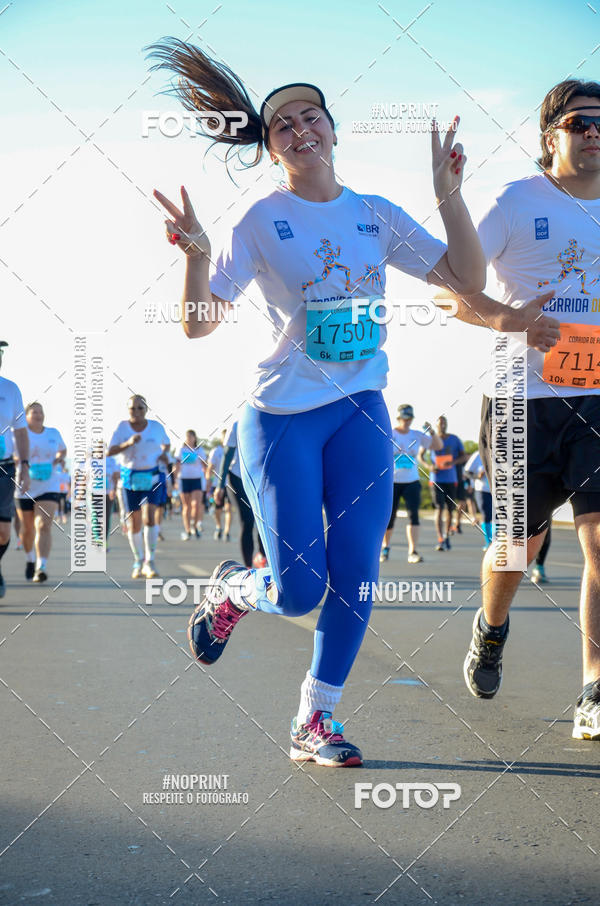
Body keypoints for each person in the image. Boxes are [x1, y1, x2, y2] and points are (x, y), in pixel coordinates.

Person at [151, 37, 485, 765]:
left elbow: (463, 274)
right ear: (272, 148)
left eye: (312, 117)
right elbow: (199, 325)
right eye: (284, 126)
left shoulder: (376, 211)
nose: (301, 130)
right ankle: (239, 588)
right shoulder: (260, 221)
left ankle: (316, 719)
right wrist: (196, 257)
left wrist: (449, 195)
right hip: (280, 420)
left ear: (334, 129)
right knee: (299, 592)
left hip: (361, 407)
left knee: (358, 571)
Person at [440, 79, 600, 741]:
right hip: (520, 402)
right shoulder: (515, 201)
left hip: (596, 399)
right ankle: (491, 629)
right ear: (550, 137)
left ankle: (594, 687)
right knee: (514, 547)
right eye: (579, 122)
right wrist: (510, 320)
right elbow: (451, 289)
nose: (593, 131)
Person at [108, 395, 170, 579]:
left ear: (146, 410)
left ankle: (150, 562)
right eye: (132, 409)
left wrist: (163, 454)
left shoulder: (156, 427)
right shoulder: (122, 427)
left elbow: (166, 443)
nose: (136, 412)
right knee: (134, 523)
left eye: (140, 408)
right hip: (130, 478)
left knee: (150, 517)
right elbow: (110, 451)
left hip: (152, 475)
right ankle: (138, 560)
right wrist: (127, 444)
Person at [380, 404, 442, 564]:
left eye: (409, 419)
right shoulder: (390, 434)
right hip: (392, 481)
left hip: (412, 481)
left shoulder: (416, 435)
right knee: (389, 517)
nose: (406, 422)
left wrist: (432, 432)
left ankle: (413, 551)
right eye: (404, 419)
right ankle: (385, 548)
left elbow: (438, 446)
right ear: (399, 418)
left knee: (414, 516)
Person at [15, 402, 67, 582]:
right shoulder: (20, 434)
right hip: (25, 486)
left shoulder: (53, 433)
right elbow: (12, 455)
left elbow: (63, 450)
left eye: (41, 411)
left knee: (43, 525)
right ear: (27, 415)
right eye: (34, 412)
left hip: (49, 485)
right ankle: (30, 559)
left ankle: (41, 566)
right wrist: (24, 465)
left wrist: (58, 459)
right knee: (27, 529)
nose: (38, 415)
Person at [0, 340, 30, 597]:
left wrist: (25, 465)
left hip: (5, 467)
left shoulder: (11, 390)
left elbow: (20, 432)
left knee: (3, 532)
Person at [216, 421, 267, 568]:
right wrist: (220, 486)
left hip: (259, 478)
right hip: (237, 477)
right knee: (248, 520)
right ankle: (248, 567)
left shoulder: (269, 413)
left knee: (263, 520)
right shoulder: (237, 424)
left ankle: (262, 556)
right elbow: (227, 456)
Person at [420, 415, 467, 551]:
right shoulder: (431, 440)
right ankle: (440, 538)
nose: (442, 425)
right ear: (436, 425)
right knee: (439, 508)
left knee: (450, 510)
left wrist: (453, 462)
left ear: (446, 424)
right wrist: (429, 466)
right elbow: (420, 455)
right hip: (436, 479)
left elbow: (463, 456)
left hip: (451, 479)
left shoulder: (454, 439)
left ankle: (447, 536)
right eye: (440, 423)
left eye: (444, 423)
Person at [175, 430, 207, 540]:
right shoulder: (181, 450)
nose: (189, 438)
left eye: (191, 436)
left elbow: (205, 466)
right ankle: (187, 530)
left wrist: (207, 478)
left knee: (196, 505)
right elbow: (177, 465)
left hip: (196, 479)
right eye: (187, 437)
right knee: (186, 506)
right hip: (184, 479)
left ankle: (194, 525)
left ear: (194, 438)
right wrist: (175, 480)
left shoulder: (199, 450)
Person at [465, 449, 492, 549]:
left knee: (499, 517)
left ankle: (498, 542)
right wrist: (477, 476)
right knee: (486, 516)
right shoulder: (478, 454)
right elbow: (467, 472)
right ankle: (489, 542)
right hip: (482, 490)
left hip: (499, 491)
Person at [207, 432, 231, 541]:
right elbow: (210, 467)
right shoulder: (216, 451)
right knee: (218, 508)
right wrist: (208, 482)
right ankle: (219, 526)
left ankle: (227, 531)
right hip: (217, 484)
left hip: (230, 484)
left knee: (228, 508)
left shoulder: (235, 450)